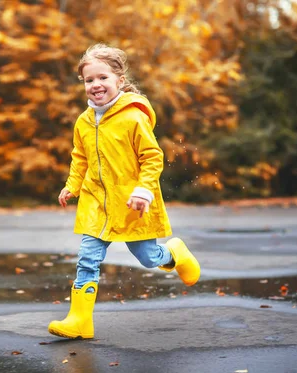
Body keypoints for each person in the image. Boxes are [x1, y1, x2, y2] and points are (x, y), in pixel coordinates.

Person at [48, 43, 200, 340]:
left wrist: (143, 191)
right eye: (89, 80)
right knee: (87, 258)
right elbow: (80, 157)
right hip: (96, 202)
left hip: (132, 202)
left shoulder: (133, 117)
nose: (96, 85)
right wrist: (72, 185)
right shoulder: (83, 121)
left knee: (147, 257)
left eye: (102, 78)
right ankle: (80, 320)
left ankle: (174, 253)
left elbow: (153, 157)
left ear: (119, 79)